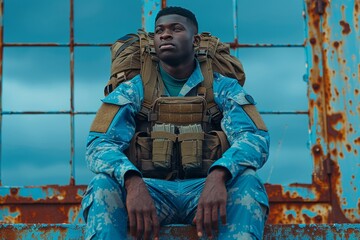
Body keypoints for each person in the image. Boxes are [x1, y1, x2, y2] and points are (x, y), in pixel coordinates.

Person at [81, 6, 270, 240]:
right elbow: (99, 144)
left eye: (176, 29)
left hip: (206, 193)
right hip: (151, 194)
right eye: (159, 30)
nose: (165, 34)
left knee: (249, 181)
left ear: (196, 40)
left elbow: (255, 137)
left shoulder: (221, 87)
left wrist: (219, 174)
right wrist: (132, 181)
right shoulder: (135, 89)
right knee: (102, 185)